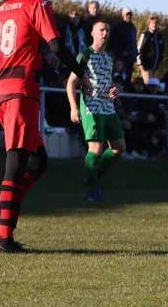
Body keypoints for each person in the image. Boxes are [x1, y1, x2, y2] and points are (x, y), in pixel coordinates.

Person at [0, 0, 93, 253]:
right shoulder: (37, 4)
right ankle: (4, 238)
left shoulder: (0, 11)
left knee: (38, 162)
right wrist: (81, 73)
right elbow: (56, 45)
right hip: (20, 91)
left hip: (1, 91)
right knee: (15, 164)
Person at [67, 19, 126, 201]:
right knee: (96, 147)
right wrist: (74, 107)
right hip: (92, 107)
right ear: (92, 33)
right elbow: (71, 82)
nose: (105, 33)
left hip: (108, 107)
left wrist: (116, 90)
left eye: (107, 30)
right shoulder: (84, 55)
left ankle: (91, 178)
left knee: (119, 147)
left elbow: (109, 82)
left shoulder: (109, 58)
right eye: (101, 30)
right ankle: (92, 191)